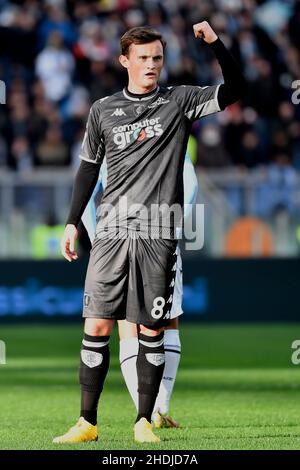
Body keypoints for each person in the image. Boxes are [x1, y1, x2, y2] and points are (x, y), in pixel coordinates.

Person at [54, 22, 246, 444]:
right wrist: (72, 222)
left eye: (157, 57)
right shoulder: (102, 110)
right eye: (142, 58)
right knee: (97, 326)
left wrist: (215, 42)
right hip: (110, 235)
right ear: (124, 61)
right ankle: (87, 422)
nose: (151, 65)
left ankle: (145, 419)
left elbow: (236, 87)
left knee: (152, 328)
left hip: (158, 233)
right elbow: (88, 168)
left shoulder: (180, 100)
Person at [81, 153, 198, 429]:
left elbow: (86, 186)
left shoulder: (108, 124)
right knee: (165, 319)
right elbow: (190, 181)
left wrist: (96, 235)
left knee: (129, 322)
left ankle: (150, 410)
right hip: (158, 235)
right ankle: (158, 408)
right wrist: (176, 224)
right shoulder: (167, 123)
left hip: (116, 238)